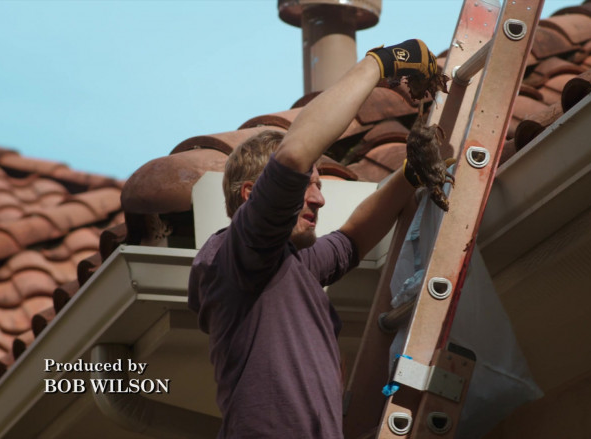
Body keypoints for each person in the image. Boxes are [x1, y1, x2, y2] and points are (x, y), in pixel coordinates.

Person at [188, 39, 439, 438]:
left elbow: (351, 241)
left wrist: (411, 174)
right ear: (254, 196)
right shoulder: (239, 253)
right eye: (308, 186)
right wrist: (380, 64)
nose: (321, 199)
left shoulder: (287, 266)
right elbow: (292, 156)